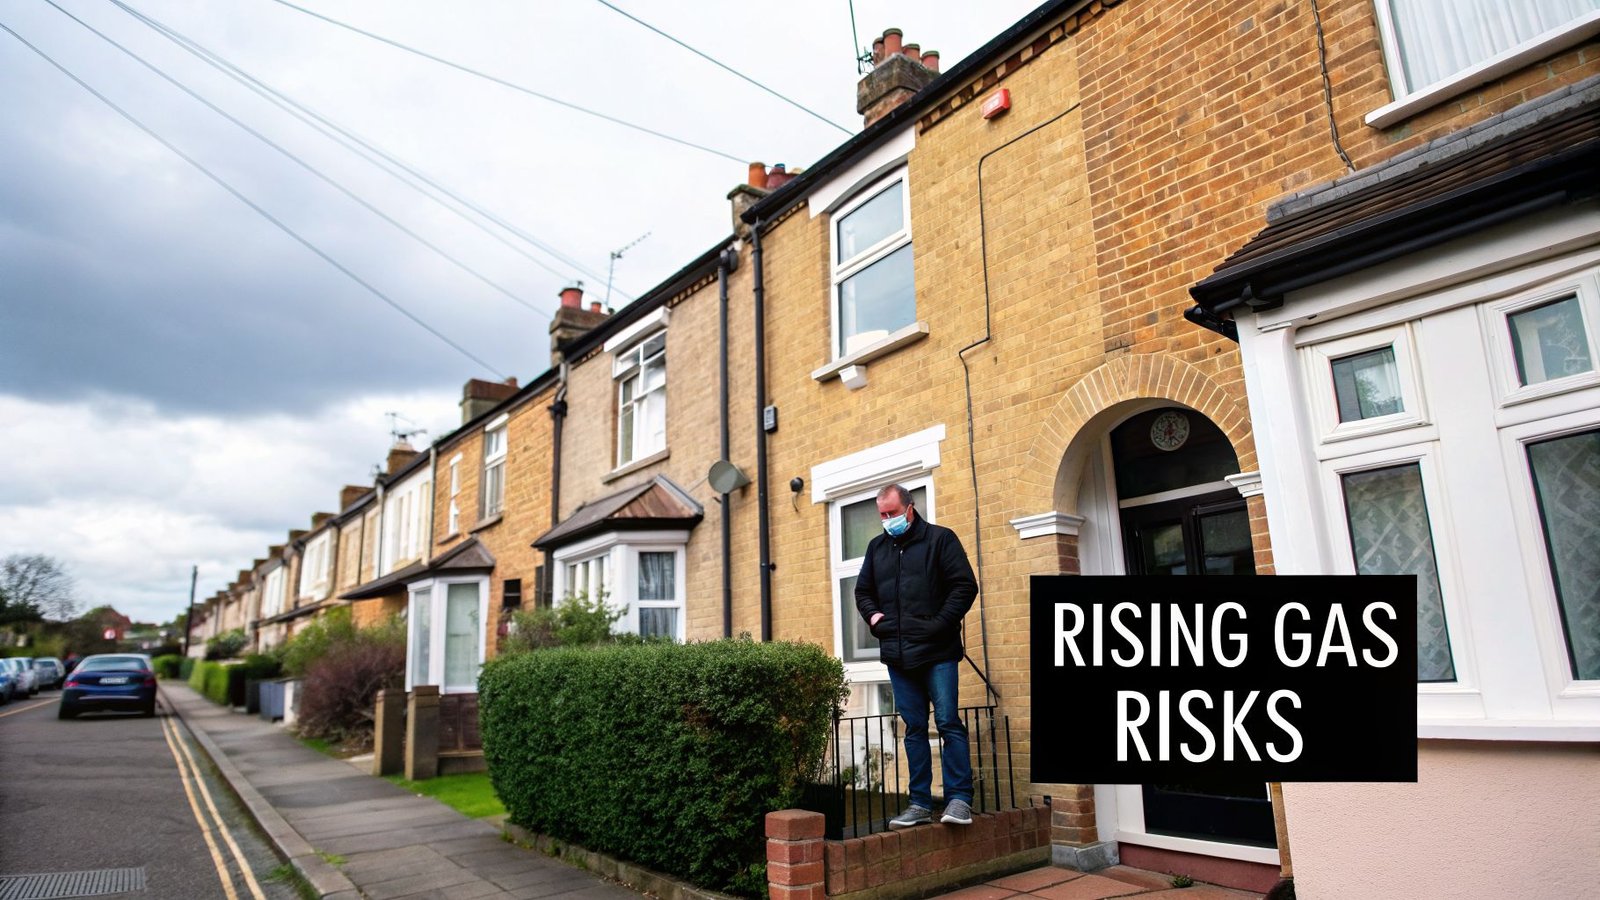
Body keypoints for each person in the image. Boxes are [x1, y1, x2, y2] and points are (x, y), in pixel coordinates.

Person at [854, 483, 979, 827]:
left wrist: (939, 624)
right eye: (882, 514)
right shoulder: (877, 548)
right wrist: (875, 618)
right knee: (913, 728)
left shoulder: (941, 540)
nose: (887, 519)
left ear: (910, 508)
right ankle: (920, 804)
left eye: (892, 513)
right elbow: (863, 591)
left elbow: (965, 586)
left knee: (948, 723)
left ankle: (959, 801)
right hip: (897, 655)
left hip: (938, 652)